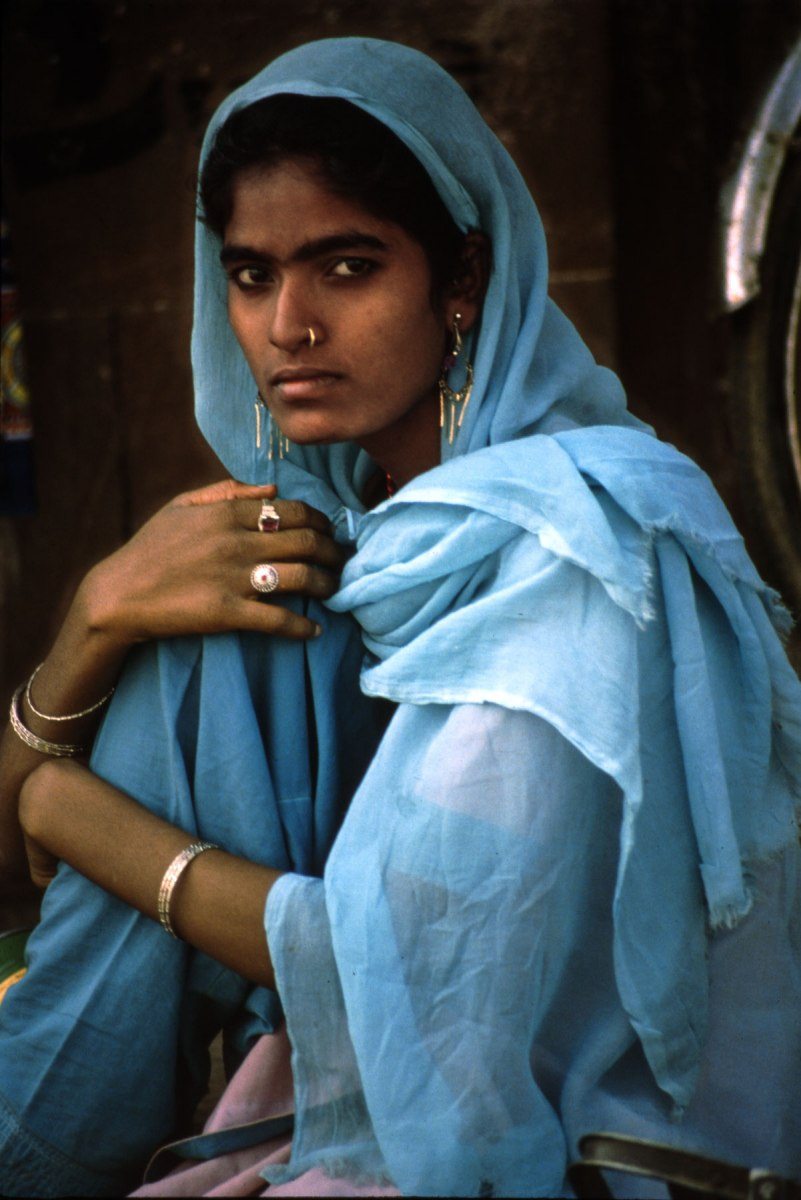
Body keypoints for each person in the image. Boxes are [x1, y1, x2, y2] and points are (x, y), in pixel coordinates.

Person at [1, 36, 800, 1199]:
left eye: (348, 266)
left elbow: (406, 974)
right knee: (213, 628)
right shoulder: (336, 548)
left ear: (461, 278)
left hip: (575, 1149)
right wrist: (91, 621)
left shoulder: (576, 548)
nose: (290, 328)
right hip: (329, 1108)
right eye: (252, 275)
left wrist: (68, 808)